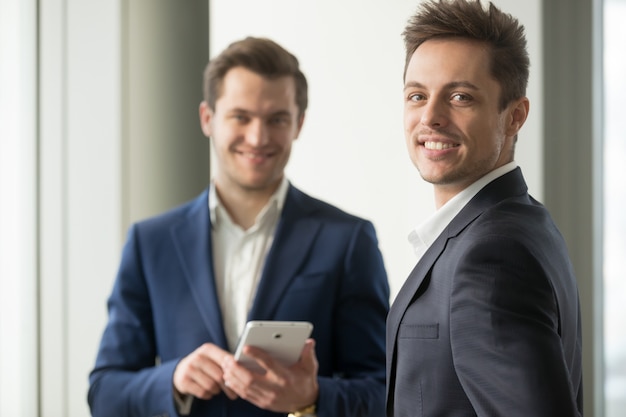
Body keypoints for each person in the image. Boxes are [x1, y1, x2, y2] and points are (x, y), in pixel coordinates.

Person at [88, 36, 390, 417]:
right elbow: (105, 393)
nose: (258, 137)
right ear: (207, 119)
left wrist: (311, 397)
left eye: (277, 119)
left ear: (298, 123)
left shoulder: (347, 240)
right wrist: (174, 380)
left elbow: (386, 391)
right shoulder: (151, 243)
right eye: (241, 117)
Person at [385, 1, 583, 416]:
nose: (431, 117)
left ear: (514, 116)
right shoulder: (520, 220)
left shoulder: (491, 256)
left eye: (460, 97)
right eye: (417, 95)